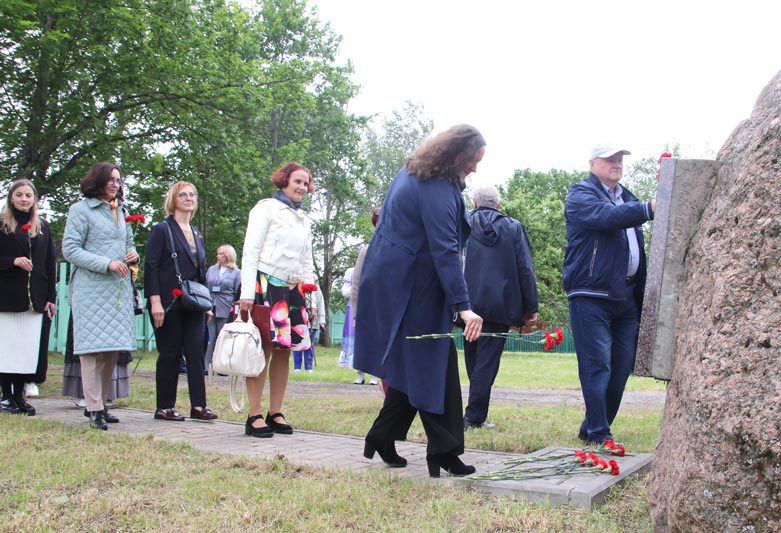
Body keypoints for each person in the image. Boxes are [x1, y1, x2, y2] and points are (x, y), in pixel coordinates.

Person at [354, 124, 485, 478]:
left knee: (416, 360)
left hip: (393, 280)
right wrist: (463, 305)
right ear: (456, 156)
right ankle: (444, 451)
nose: (475, 168)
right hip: (411, 287)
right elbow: (445, 250)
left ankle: (382, 435)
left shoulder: (412, 173)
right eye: (473, 160)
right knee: (434, 361)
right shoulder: (437, 189)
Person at [563, 144, 656, 444]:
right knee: (597, 365)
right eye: (609, 159)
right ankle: (600, 434)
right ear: (592, 163)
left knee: (621, 368)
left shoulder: (627, 197)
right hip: (591, 294)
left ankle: (591, 425)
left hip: (625, 296)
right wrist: (649, 209)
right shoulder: (580, 195)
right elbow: (607, 217)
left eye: (620, 159)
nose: (617, 163)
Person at [239, 162, 315, 438]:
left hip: (293, 289)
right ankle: (254, 414)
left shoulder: (304, 219)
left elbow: (307, 260)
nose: (301, 188)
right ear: (284, 181)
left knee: (285, 350)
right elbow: (250, 251)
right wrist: (247, 292)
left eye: (306, 184)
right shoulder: (266, 208)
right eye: (297, 181)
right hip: (265, 284)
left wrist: (310, 297)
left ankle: (276, 411)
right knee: (263, 349)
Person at [62, 163, 137, 430]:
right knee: (91, 351)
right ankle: (93, 407)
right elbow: (70, 249)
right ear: (98, 181)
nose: (115, 184)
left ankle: (102, 403)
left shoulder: (121, 210)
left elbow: (128, 243)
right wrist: (106, 263)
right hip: (91, 288)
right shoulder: (81, 210)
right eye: (110, 180)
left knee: (111, 350)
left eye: (118, 180)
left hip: (117, 290)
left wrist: (132, 254)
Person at [462, 185, 539, 430]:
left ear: (474, 202)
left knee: (474, 358)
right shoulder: (513, 227)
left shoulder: (463, 223)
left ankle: (474, 413)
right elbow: (524, 268)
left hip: (467, 304)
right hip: (500, 306)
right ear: (499, 203)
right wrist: (530, 306)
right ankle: (474, 417)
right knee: (487, 362)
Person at [145, 181, 217, 422]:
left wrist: (206, 303)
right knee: (170, 353)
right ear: (173, 200)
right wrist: (155, 301)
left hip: (193, 302)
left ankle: (199, 405)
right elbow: (151, 266)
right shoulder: (162, 229)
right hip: (168, 302)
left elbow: (201, 271)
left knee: (196, 353)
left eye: (192, 194)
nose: (189, 198)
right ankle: (164, 406)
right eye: (183, 194)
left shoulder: (196, 233)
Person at [0, 179, 56, 416]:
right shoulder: (2, 225)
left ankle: (20, 395)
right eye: (19, 195)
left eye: (29, 195)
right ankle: (7, 396)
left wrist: (51, 297)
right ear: (11, 197)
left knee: (27, 350)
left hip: (36, 299)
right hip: (8, 298)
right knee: (8, 349)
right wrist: (12, 262)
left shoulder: (42, 226)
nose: (24, 199)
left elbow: (50, 263)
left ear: (35, 199)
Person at [350, 208, 380, 387]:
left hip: (385, 305)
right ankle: (360, 373)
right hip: (367, 305)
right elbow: (356, 283)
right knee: (363, 341)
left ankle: (376, 375)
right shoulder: (366, 251)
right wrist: (355, 313)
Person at [204, 244, 241, 373]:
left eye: (221, 254)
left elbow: (238, 293)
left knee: (224, 338)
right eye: (218, 253)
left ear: (228, 256)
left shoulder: (236, 272)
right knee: (210, 337)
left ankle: (223, 368)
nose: (218, 256)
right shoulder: (212, 269)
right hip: (210, 307)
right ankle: (206, 366)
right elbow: (206, 286)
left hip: (226, 308)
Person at [293, 283, 325, 373]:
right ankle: (297, 368)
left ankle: (308, 368)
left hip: (313, 323)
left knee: (309, 346)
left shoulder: (316, 289)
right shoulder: (297, 286)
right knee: (297, 344)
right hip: (298, 322)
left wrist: (322, 321)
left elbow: (321, 304)